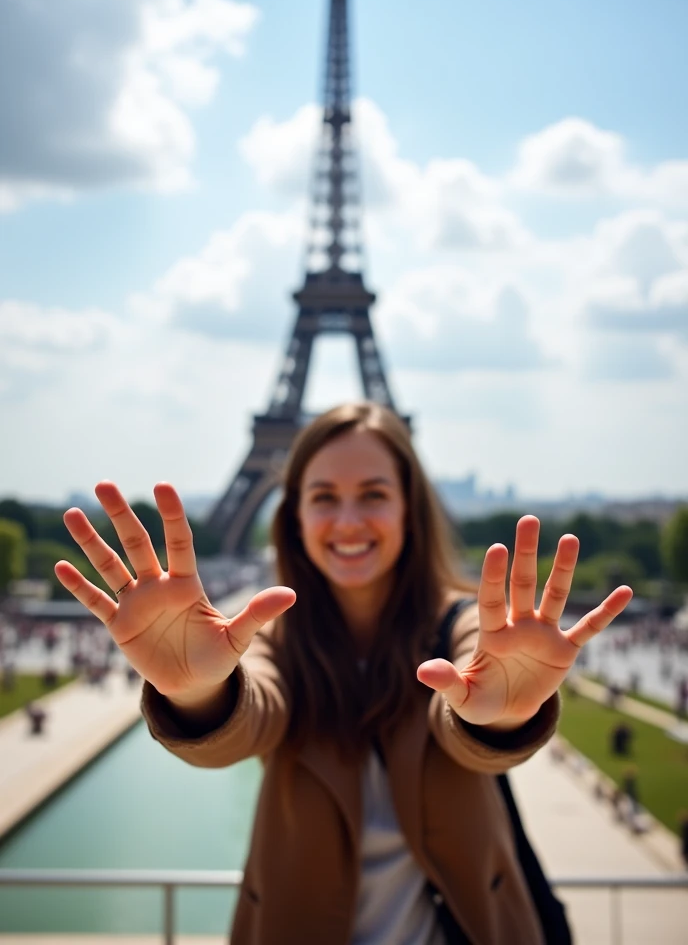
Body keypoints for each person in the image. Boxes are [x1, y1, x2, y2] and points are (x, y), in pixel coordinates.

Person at [55, 402, 634, 945]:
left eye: (374, 494)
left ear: (409, 509)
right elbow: (255, 706)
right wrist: (199, 690)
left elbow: (465, 684)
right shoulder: (275, 643)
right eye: (324, 496)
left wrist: (503, 715)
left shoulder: (460, 625)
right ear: (296, 516)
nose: (349, 519)